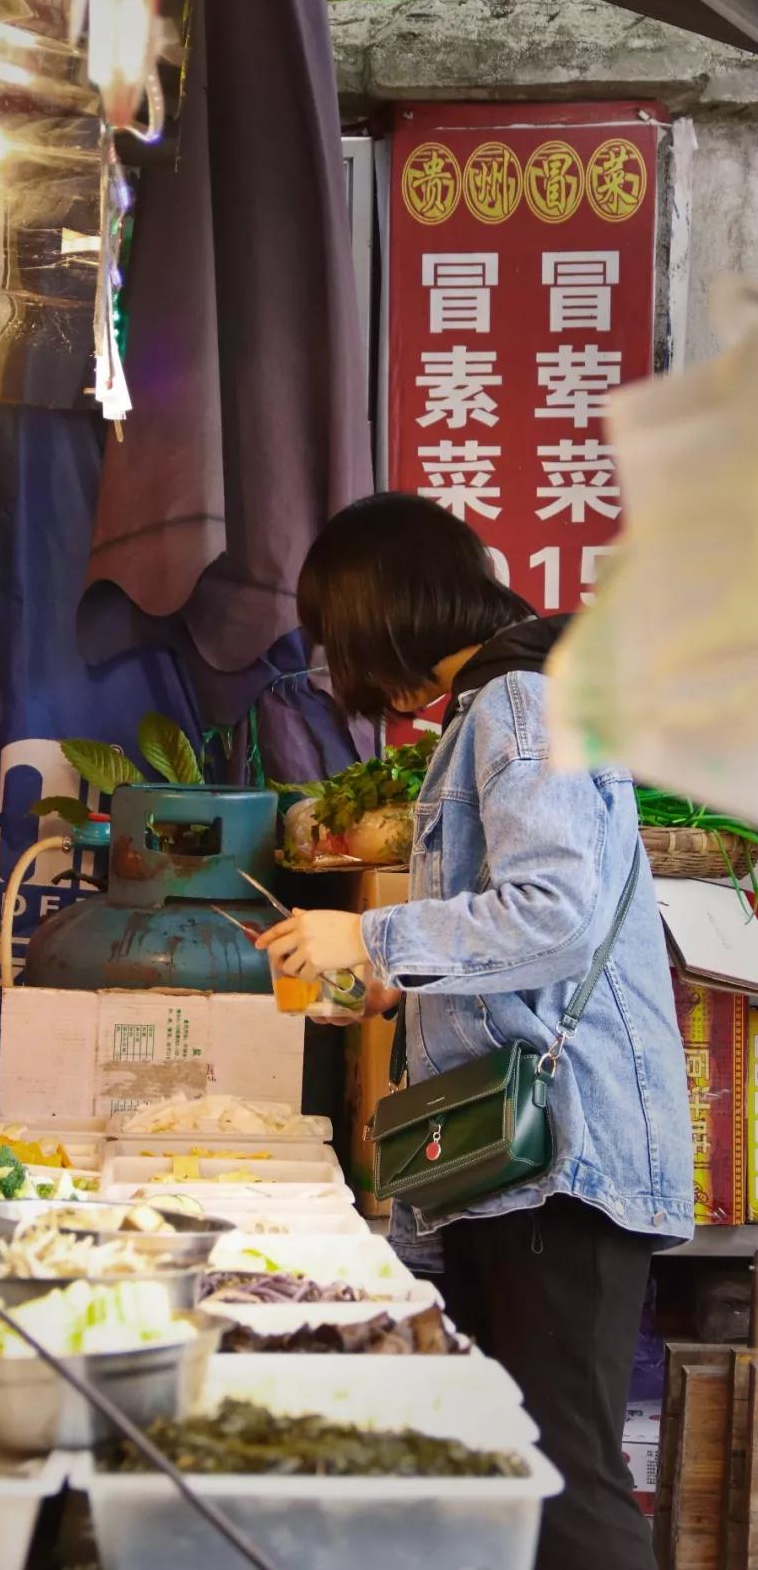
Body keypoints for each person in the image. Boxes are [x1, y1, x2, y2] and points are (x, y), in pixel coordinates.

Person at [260, 494, 693, 1570]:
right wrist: (391, 992)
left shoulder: (517, 702)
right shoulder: (505, 700)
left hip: (566, 1161)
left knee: (563, 1483)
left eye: (342, 645)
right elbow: (516, 948)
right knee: (520, 1467)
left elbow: (554, 914)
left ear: (379, 620)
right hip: (521, 1161)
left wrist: (367, 934)